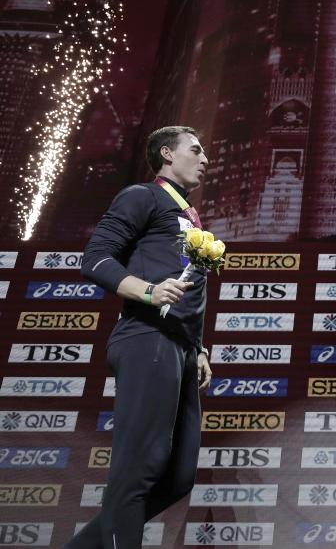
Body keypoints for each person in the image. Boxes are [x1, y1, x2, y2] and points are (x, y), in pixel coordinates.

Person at [67, 126, 213, 549]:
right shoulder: (143, 196)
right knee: (138, 472)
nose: (206, 159)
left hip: (181, 350)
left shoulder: (186, 215)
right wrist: (147, 291)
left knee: (179, 476)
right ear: (167, 154)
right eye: (196, 150)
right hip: (146, 337)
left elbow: (187, 287)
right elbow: (95, 259)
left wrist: (198, 347)